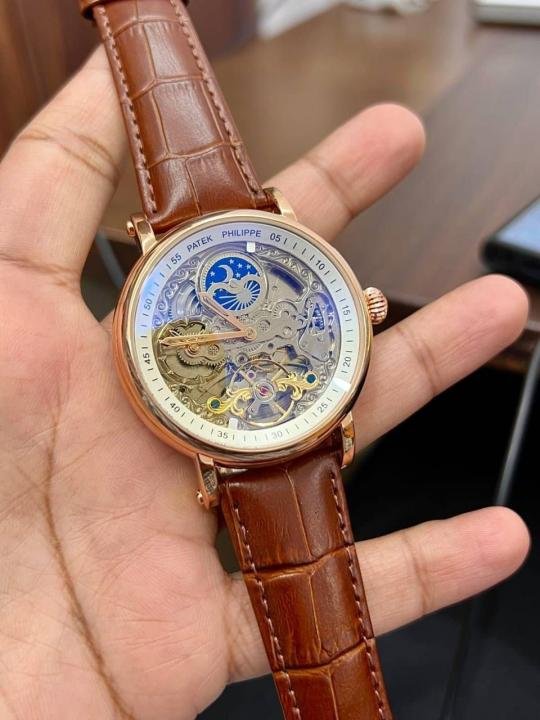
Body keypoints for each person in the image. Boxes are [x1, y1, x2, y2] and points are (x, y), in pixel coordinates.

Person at [0, 47, 530, 718]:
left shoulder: (290, 299)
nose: (240, 320)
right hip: (236, 426)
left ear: (363, 309)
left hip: (287, 409)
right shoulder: (186, 326)